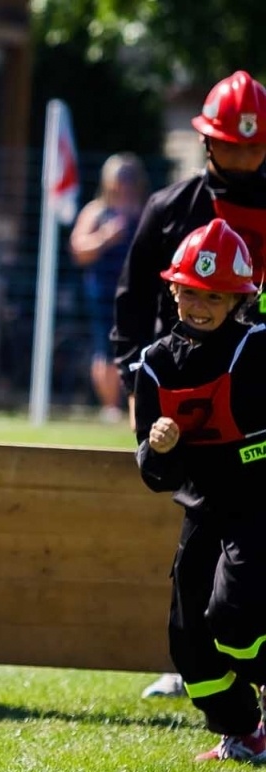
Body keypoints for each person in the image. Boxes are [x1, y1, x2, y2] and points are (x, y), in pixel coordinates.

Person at [109, 70, 266, 701]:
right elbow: (131, 303)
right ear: (207, 141)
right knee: (189, 527)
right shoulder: (169, 210)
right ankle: (193, 659)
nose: (244, 157)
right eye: (232, 144)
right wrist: (134, 384)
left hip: (255, 400)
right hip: (177, 392)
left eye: (255, 147)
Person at [130, 219, 266, 762]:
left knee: (233, 618)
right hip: (204, 511)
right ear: (174, 291)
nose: (200, 305)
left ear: (236, 299)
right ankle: (242, 733)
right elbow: (153, 474)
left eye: (214, 295)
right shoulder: (156, 365)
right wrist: (159, 450)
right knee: (189, 640)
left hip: (258, 508)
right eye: (190, 292)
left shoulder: (258, 349)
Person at [70, 153, 147, 422]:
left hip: (139, 292)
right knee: (106, 347)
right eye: (119, 178)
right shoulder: (96, 211)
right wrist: (105, 237)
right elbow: (78, 250)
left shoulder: (145, 211)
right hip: (103, 293)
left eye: (129, 178)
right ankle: (111, 407)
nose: (124, 185)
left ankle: (137, 405)